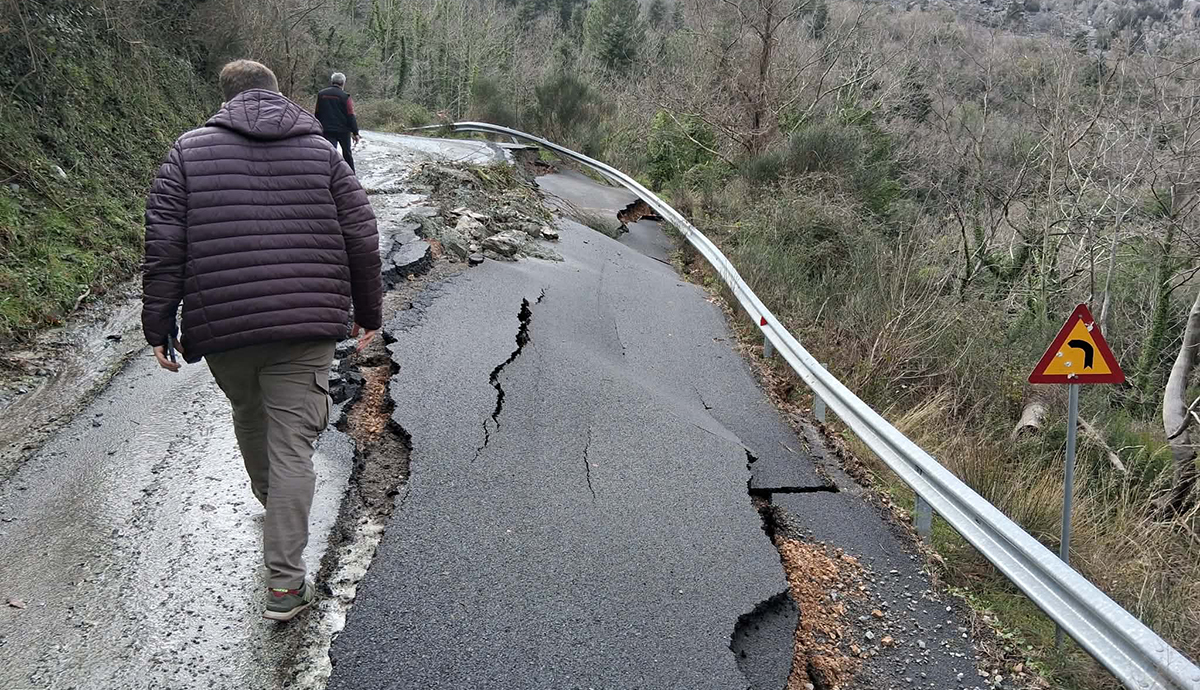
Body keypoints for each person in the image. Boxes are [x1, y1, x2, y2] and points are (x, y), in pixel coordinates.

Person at [141, 59, 383, 621]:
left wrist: (160, 326)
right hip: (308, 322)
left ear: (224, 96)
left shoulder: (187, 152)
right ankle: (283, 586)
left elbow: (163, 247)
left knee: (250, 413)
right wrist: (368, 313)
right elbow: (362, 238)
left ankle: (272, 504)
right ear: (280, 94)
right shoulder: (322, 152)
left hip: (224, 325)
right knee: (293, 443)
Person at [315, 72, 360, 171]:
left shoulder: (321, 94)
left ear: (332, 82)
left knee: (329, 153)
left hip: (326, 129)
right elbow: (350, 115)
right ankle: (351, 175)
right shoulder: (345, 96)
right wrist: (355, 132)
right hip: (343, 131)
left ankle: (327, 174)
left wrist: (316, 128)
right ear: (343, 83)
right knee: (347, 153)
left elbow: (317, 112)